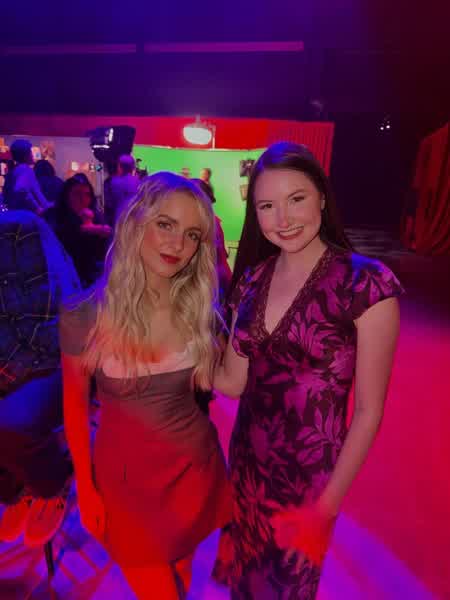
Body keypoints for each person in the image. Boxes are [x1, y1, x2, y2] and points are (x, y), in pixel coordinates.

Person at [212, 142, 403, 599]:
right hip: (246, 467)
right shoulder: (252, 280)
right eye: (267, 206)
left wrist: (326, 509)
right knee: (243, 585)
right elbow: (233, 383)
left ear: (321, 196)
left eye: (296, 198)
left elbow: (369, 412)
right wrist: (175, 348)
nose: (283, 219)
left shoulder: (365, 283)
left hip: (307, 483)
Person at [59, 172, 230, 599]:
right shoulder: (84, 315)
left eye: (192, 235)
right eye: (165, 224)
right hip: (125, 485)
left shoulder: (198, 311)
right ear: (136, 222)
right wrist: (86, 487)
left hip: (194, 470)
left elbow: (229, 382)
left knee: (181, 576)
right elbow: (74, 408)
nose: (177, 244)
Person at [0, 210, 80, 547]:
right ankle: (15, 484)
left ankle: (52, 482)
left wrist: (5, 373)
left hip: (54, 361)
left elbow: (49, 328)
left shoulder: (19, 230)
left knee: (11, 422)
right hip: (13, 363)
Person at [44, 174, 112, 287]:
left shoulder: (95, 217)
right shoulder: (55, 218)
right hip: (64, 277)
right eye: (77, 194)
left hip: (92, 278)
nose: (83, 199)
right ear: (66, 197)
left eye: (87, 194)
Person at [3, 139, 51, 214]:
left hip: (15, 213)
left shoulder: (16, 169)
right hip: (25, 215)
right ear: (25, 155)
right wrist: (37, 208)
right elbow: (21, 189)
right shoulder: (25, 169)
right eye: (30, 152)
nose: (32, 155)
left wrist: (46, 205)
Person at [104, 154, 140, 226]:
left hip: (117, 219)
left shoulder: (112, 182)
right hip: (134, 220)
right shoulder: (139, 182)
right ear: (132, 167)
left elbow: (109, 204)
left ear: (119, 166)